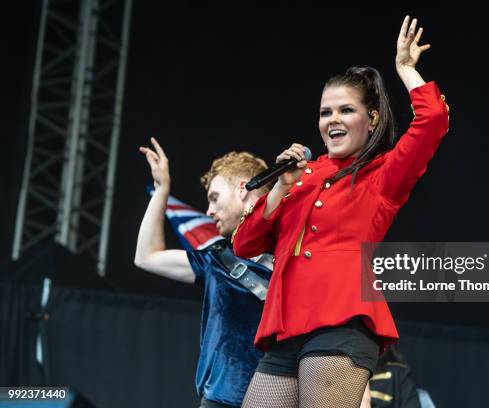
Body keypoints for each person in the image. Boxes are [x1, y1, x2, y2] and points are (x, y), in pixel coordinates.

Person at [233, 15, 450, 407]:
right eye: (324, 112)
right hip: (285, 328)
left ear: (372, 120)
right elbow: (245, 245)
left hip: (341, 323)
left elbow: (433, 120)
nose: (332, 120)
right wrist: (281, 185)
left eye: (345, 110)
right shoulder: (301, 176)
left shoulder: (382, 173)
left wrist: (405, 69)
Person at [134, 138, 272, 408]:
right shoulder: (217, 259)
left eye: (214, 198)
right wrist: (162, 189)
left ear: (243, 189)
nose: (209, 211)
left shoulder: (296, 252)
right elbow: (146, 257)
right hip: (220, 401)